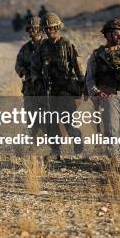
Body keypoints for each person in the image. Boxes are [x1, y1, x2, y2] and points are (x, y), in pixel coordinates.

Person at [85, 19, 120, 169]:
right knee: (111, 131)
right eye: (116, 33)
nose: (119, 36)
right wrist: (97, 93)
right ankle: (114, 162)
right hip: (109, 97)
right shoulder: (97, 55)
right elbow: (89, 79)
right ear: (107, 35)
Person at [31, 13, 84, 159]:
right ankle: (55, 151)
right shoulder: (42, 47)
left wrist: (83, 83)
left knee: (67, 120)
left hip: (66, 88)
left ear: (57, 27)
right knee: (51, 121)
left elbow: (78, 66)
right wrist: (38, 82)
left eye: (52, 28)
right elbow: (35, 67)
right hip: (50, 89)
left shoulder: (67, 44)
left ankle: (77, 137)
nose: (49, 31)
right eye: (46, 29)